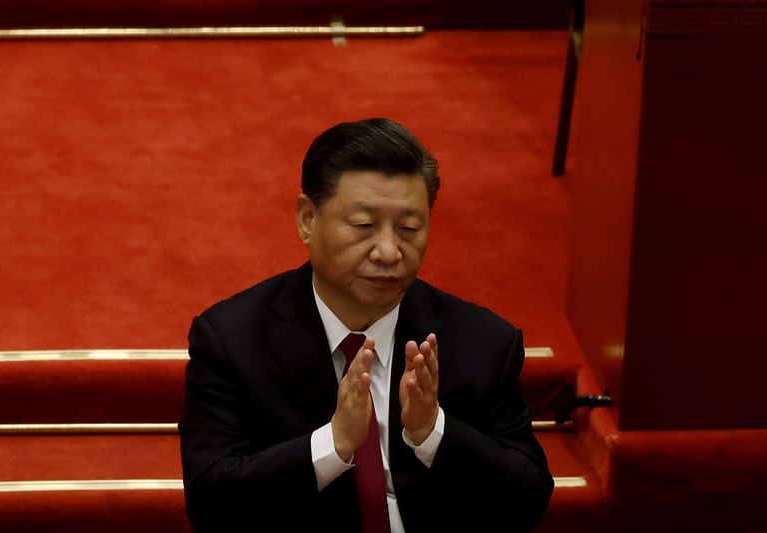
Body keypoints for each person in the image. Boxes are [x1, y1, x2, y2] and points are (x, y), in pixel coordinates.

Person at [179, 118, 553, 532]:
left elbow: (529, 498)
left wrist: (434, 432)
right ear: (307, 219)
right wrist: (333, 444)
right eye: (364, 226)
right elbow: (210, 502)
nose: (390, 251)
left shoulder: (483, 341)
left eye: (409, 228)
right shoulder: (232, 339)